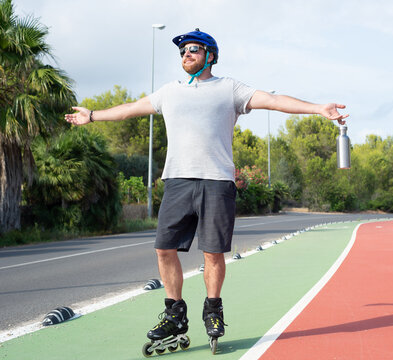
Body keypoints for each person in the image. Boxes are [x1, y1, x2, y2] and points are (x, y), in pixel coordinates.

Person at [65, 28, 348, 351]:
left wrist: (317, 108)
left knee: (213, 252)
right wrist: (93, 115)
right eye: (183, 51)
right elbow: (130, 108)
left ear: (210, 56)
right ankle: (175, 315)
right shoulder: (168, 92)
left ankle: (213, 310)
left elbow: (273, 101)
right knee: (164, 248)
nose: (186, 54)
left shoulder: (229, 89)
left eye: (194, 49)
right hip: (177, 181)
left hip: (216, 181)